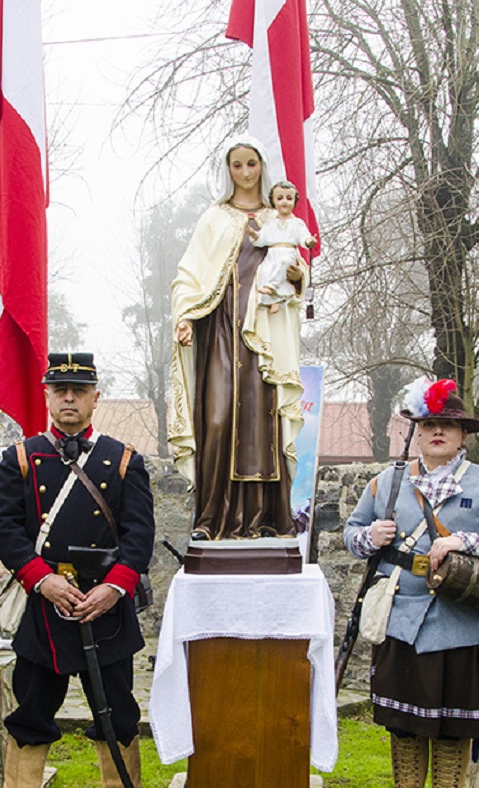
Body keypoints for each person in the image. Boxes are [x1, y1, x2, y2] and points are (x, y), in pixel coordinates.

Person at [344, 378, 479, 788]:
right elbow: (351, 533)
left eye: (449, 424)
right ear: (418, 431)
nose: (438, 432)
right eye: (430, 424)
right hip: (401, 622)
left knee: (450, 730)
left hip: (460, 623)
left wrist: (466, 542)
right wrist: (371, 536)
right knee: (405, 728)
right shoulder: (386, 483)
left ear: (464, 434)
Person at [0, 353, 156, 788]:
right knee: (32, 712)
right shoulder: (20, 459)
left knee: (117, 715)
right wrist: (42, 581)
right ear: (46, 396)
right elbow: (7, 531)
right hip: (45, 607)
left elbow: (138, 537)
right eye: (59, 390)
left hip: (106, 609)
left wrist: (113, 589)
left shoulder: (124, 460)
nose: (68, 399)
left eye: (79, 391)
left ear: (94, 398)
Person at [170, 135, 306, 541]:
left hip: (262, 335)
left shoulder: (277, 218)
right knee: (217, 418)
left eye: (252, 164)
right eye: (237, 165)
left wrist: (299, 277)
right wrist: (185, 314)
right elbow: (189, 274)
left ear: (262, 166)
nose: (245, 173)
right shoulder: (214, 217)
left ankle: (268, 520)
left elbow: (295, 271)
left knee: (263, 424)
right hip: (219, 333)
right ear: (227, 170)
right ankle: (213, 519)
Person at [253, 181, 317, 311]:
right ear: (273, 201)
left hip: (288, 252)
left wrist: (309, 241)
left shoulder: (297, 223)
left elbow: (303, 237)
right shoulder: (270, 223)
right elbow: (262, 238)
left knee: (284, 264)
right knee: (265, 271)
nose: (284, 202)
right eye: (280, 198)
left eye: (289, 198)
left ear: (294, 201)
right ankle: (273, 301)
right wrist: (254, 236)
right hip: (272, 254)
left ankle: (273, 289)